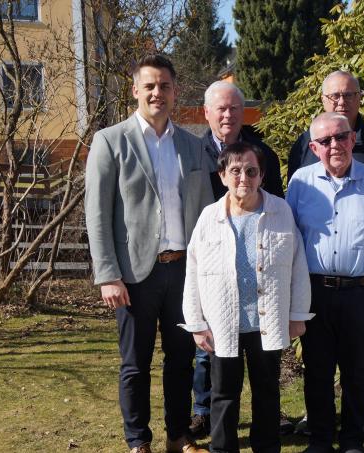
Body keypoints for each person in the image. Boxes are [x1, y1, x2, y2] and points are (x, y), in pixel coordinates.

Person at [84, 54, 212, 453]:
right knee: (135, 365)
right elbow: (98, 212)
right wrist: (107, 274)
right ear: (135, 90)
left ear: (175, 91)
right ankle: (138, 441)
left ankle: (178, 436)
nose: (158, 93)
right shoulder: (110, 141)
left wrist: (205, 272)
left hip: (183, 273)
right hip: (134, 276)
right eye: (150, 86)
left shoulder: (192, 146)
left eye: (165, 86)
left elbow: (206, 214)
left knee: (180, 361)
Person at [180, 142, 313, 453]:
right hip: (222, 322)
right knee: (224, 393)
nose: (244, 178)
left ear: (262, 175)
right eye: (235, 171)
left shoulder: (280, 211)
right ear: (223, 175)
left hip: (266, 320)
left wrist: (298, 315)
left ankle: (266, 448)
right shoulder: (209, 217)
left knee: (267, 392)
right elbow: (193, 271)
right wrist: (196, 323)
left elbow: (298, 265)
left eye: (251, 171)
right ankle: (224, 449)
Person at [286, 112, 364, 453]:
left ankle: (352, 439)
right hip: (315, 293)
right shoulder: (300, 183)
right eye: (325, 141)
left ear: (352, 139)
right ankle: (320, 440)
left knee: (358, 371)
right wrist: (292, 298)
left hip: (361, 293)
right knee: (318, 371)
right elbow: (290, 242)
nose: (334, 145)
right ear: (313, 147)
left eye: (341, 137)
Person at [189, 81, 285, 439]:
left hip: (254, 264)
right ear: (207, 113)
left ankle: (261, 433)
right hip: (209, 260)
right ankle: (203, 411)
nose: (228, 115)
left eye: (234, 108)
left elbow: (277, 208)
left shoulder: (262, 153)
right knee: (210, 353)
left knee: (259, 369)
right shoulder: (193, 150)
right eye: (221, 108)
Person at [287, 71, 364, 179]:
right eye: (335, 96)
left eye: (348, 95)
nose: (342, 102)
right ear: (323, 100)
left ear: (359, 98)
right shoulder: (305, 144)